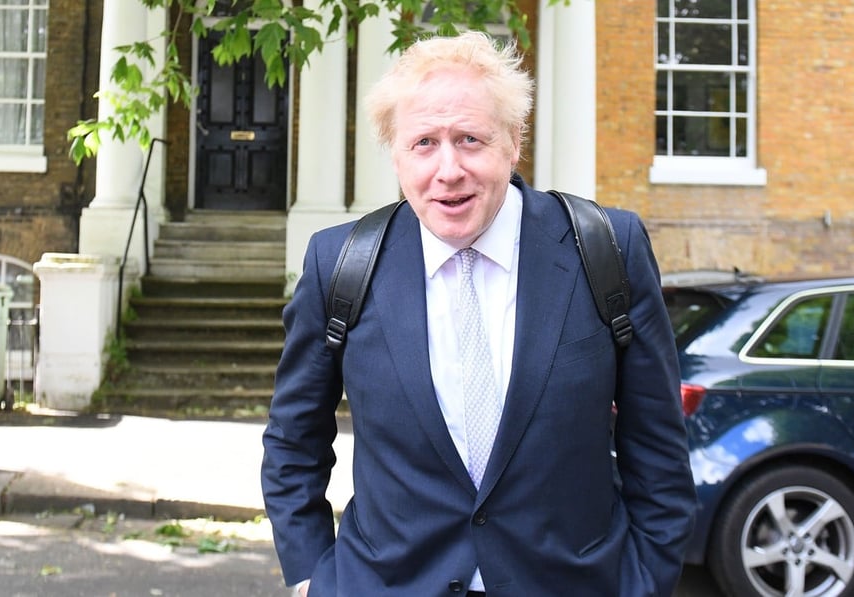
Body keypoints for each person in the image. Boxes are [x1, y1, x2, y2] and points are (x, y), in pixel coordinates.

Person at [261, 31, 696, 597]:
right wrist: (311, 577)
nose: (448, 170)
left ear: (514, 141)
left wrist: (646, 582)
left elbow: (658, 447)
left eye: (470, 139)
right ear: (395, 152)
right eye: (423, 143)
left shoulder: (608, 249)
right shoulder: (339, 264)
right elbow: (294, 441)